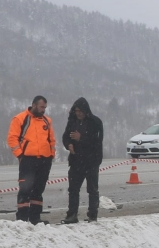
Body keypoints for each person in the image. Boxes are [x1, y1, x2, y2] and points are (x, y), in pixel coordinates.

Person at [6, 95, 54, 224]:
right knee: (25, 188)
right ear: (34, 105)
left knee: (39, 189)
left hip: (44, 159)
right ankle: (22, 218)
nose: (43, 110)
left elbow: (51, 140)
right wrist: (20, 155)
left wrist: (51, 155)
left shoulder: (47, 121)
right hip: (28, 159)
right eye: (41, 107)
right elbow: (12, 138)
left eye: (45, 107)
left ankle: (35, 217)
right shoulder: (20, 119)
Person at [62, 96, 103, 224]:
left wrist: (82, 138)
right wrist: (68, 145)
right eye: (76, 111)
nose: (78, 113)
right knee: (73, 190)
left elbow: (97, 141)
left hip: (91, 161)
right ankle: (72, 214)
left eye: (80, 111)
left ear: (86, 110)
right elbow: (65, 136)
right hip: (76, 161)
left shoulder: (95, 122)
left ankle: (92, 214)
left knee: (92, 189)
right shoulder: (72, 122)